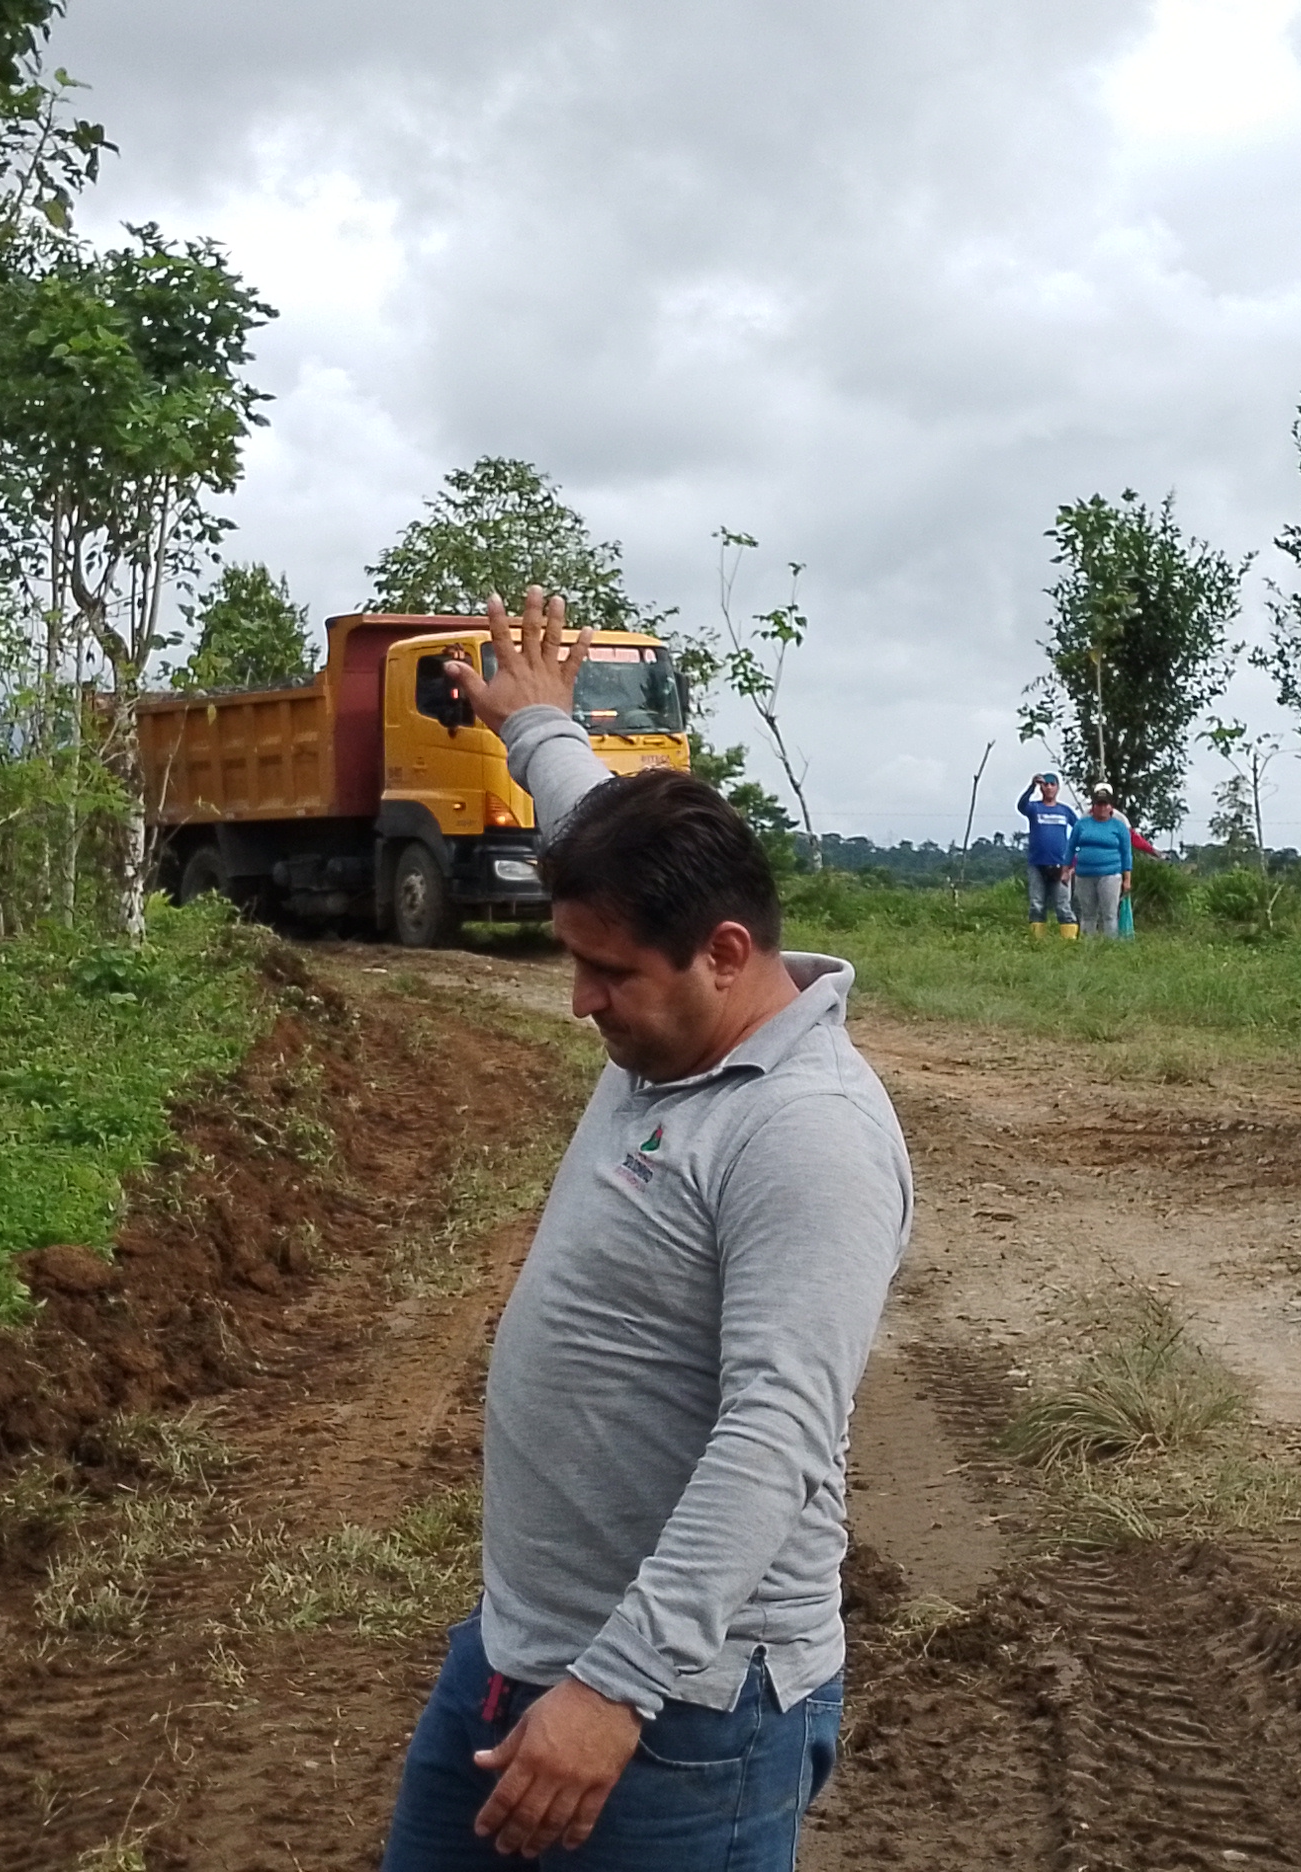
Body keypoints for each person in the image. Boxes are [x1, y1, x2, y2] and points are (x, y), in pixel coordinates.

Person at [382, 590, 914, 1869]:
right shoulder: (669, 1012)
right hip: (513, 1652)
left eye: (608, 973)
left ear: (723, 953)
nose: (581, 1002)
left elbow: (777, 1432)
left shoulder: (807, 1131)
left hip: (680, 1714)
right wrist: (534, 722)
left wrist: (614, 1690)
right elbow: (588, 812)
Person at [1014, 773, 1079, 938]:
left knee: (1063, 906)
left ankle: (1069, 942)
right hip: (1037, 864)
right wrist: (1031, 787)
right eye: (1046, 784)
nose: (1049, 787)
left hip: (1060, 866)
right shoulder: (1034, 808)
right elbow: (1021, 806)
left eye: (1052, 784)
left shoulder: (1065, 811)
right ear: (1041, 788)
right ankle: (1037, 940)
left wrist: (1074, 862)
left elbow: (1080, 831)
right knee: (1036, 904)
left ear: (1057, 788)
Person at [1067, 790, 1135, 941]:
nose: (1102, 808)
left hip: (1110, 873)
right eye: (1099, 804)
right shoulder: (1082, 824)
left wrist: (1127, 879)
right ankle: (1088, 944)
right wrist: (1066, 869)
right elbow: (1071, 848)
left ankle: (1109, 945)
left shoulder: (1119, 827)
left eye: (1105, 804)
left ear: (1111, 807)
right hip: (1084, 874)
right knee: (1087, 914)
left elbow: (1126, 854)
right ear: (1093, 806)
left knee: (1109, 914)